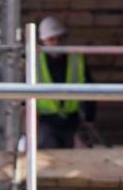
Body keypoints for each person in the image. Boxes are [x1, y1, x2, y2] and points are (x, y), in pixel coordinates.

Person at [36, 16, 96, 148]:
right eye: (52, 39)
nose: (56, 43)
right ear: (43, 41)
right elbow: (24, 95)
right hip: (46, 121)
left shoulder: (76, 59)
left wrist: (89, 118)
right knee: (48, 156)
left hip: (71, 120)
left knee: (70, 159)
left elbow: (89, 87)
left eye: (59, 38)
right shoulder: (35, 61)